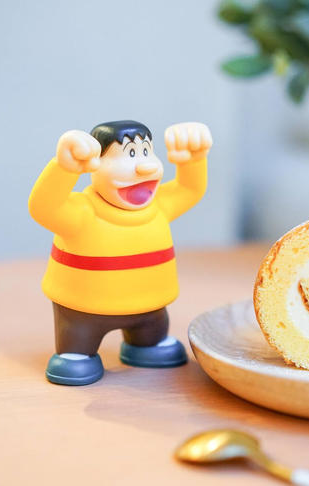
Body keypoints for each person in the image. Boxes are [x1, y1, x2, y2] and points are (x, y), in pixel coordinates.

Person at [29, 120, 211, 385]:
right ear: (95, 164)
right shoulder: (82, 212)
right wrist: (64, 169)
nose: (145, 166)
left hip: (149, 307)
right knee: (77, 348)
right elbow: (43, 207)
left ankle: (147, 344)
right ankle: (76, 354)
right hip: (84, 310)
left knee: (152, 330)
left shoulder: (159, 206)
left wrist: (192, 161)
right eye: (130, 154)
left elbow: (189, 189)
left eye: (146, 152)